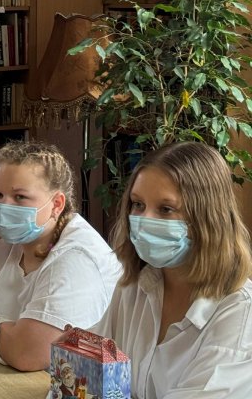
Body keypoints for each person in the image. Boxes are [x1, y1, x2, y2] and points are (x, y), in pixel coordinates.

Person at [0, 141, 121, 371]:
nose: (4, 206)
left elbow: (26, 354)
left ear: (56, 204)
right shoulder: (0, 238)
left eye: (20, 197)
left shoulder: (77, 259)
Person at [91, 143, 252, 397]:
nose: (144, 221)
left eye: (166, 209)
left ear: (207, 217)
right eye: (138, 204)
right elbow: (92, 371)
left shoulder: (239, 312)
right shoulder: (135, 285)